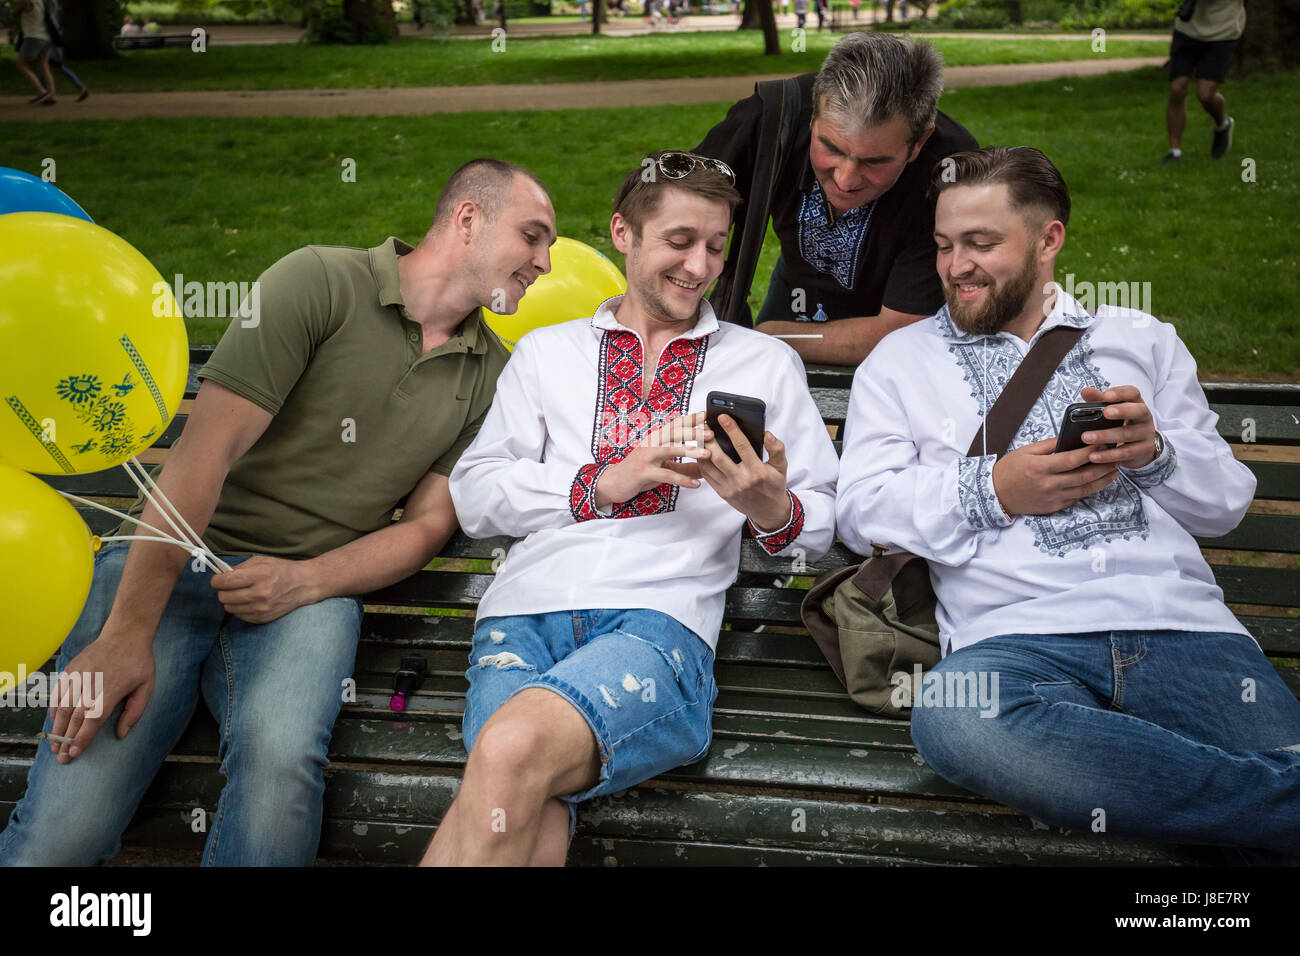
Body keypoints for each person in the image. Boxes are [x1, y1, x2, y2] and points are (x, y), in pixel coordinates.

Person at [0, 159, 555, 867]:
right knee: (64, 829)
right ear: (468, 219)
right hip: (167, 564)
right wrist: (126, 632)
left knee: (279, 773)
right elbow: (207, 449)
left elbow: (424, 528)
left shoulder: (492, 373)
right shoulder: (319, 281)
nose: (543, 262)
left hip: (309, 590)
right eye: (532, 236)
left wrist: (306, 581)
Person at [836, 145, 1300, 863]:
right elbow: (863, 508)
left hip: (1184, 633)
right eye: (944, 245)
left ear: (1049, 239)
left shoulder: (1141, 339)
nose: (957, 266)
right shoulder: (900, 363)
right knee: (957, 722)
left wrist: (1155, 453)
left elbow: (1225, 506)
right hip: (1013, 642)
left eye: (982, 244)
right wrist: (995, 489)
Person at [421, 150, 838, 866]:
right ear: (624, 233)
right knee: (526, 804)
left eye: (715, 246)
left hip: (657, 623)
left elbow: (822, 520)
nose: (701, 266)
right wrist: (604, 482)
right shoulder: (547, 354)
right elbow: (477, 492)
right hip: (523, 619)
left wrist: (772, 506)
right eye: (679, 242)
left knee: (511, 752)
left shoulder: (761, 365)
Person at [694, 32, 978, 366]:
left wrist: (767, 339)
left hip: (894, 322)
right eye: (831, 148)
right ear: (813, 114)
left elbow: (902, 333)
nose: (845, 179)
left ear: (919, 143)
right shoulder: (773, 115)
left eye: (875, 162)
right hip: (795, 286)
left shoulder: (951, 173)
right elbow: (670, 210)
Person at [1162, 0, 1244, 163]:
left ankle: (1223, 123)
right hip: (1187, 29)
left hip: (1223, 32)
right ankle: (1174, 151)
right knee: (1177, 89)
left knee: (1205, 95)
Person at [14, 0, 56, 105]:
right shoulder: (41, 1)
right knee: (44, 65)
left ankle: (42, 92)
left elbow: (14, 13)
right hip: (46, 37)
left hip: (33, 37)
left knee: (21, 64)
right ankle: (51, 96)